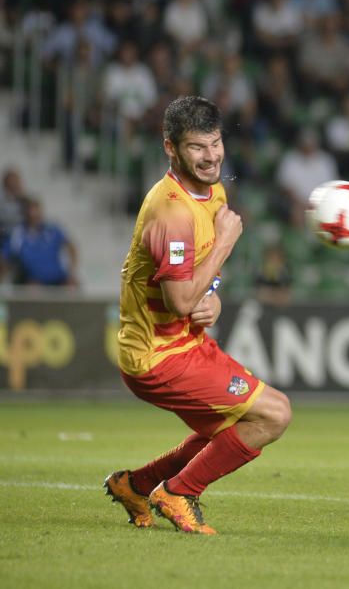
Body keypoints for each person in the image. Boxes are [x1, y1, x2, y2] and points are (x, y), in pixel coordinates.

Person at [104, 96, 292, 535]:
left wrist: (216, 297)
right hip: (157, 357)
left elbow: (201, 285)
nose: (210, 157)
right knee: (273, 414)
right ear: (171, 148)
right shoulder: (170, 213)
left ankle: (138, 484)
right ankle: (177, 492)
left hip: (185, 343)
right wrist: (226, 242)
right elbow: (180, 301)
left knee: (233, 430)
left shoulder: (211, 191)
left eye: (216, 143)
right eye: (196, 147)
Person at [2, 197, 78, 287]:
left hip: (59, 278)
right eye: (31, 211)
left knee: (73, 285)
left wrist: (71, 271)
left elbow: (71, 248)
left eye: (37, 211)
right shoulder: (17, 234)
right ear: (25, 213)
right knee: (32, 290)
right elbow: (4, 258)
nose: (34, 215)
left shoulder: (53, 230)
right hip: (32, 281)